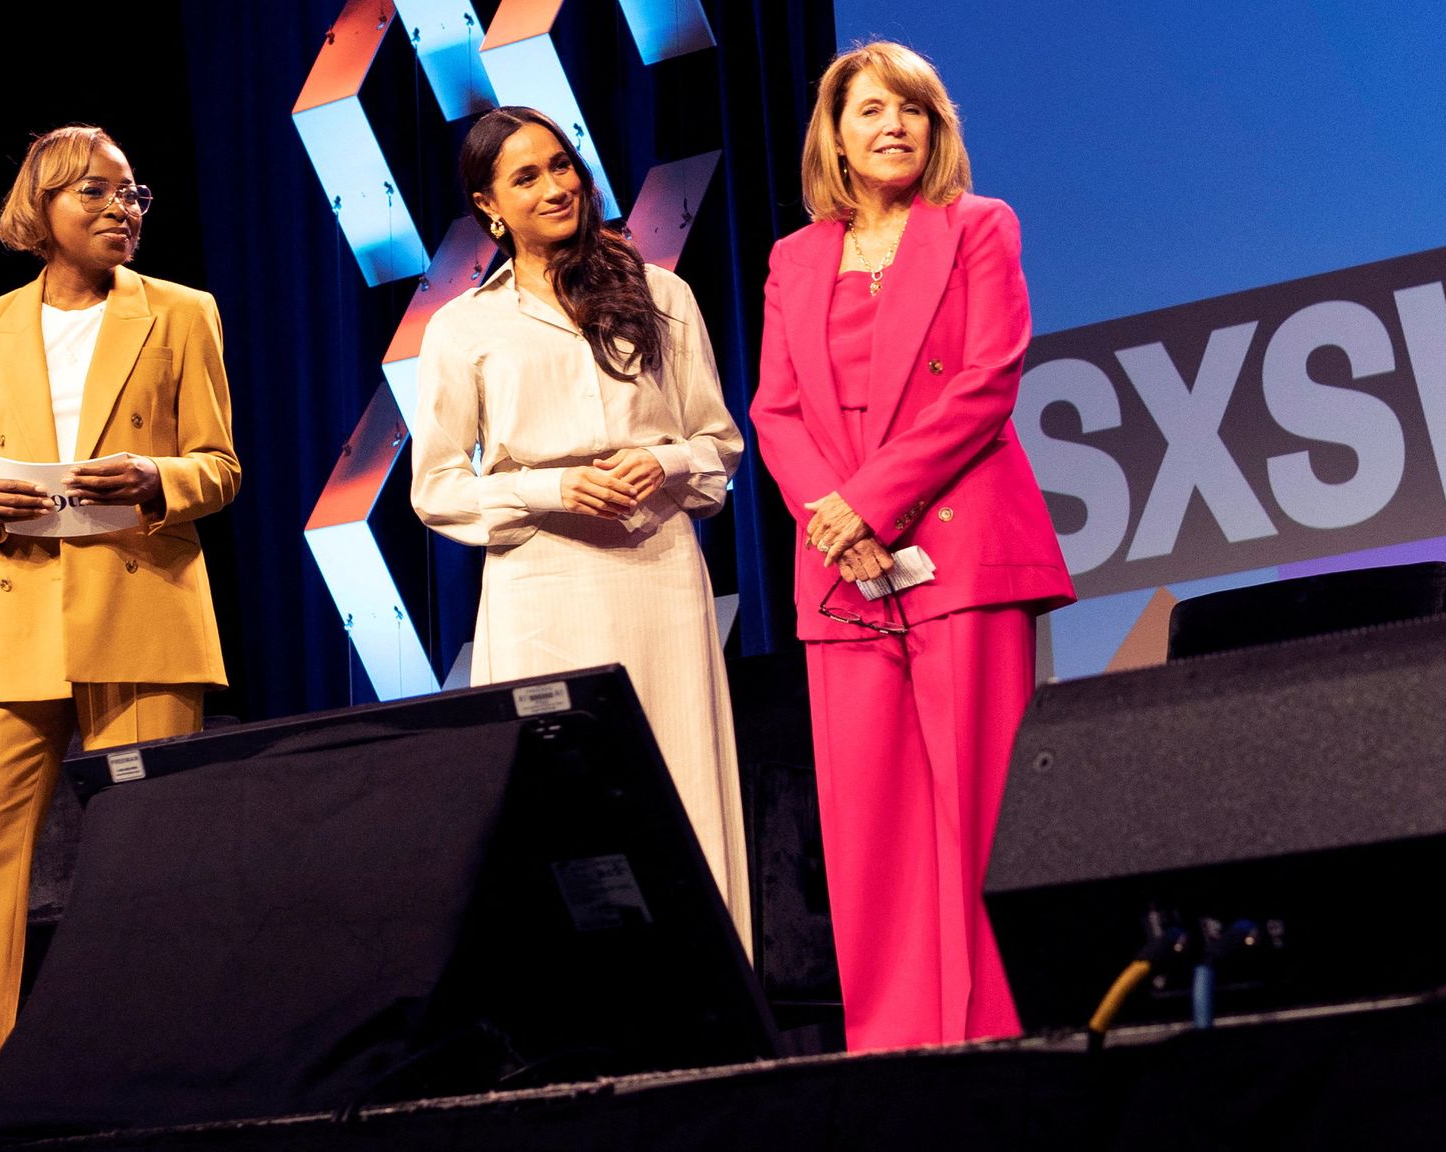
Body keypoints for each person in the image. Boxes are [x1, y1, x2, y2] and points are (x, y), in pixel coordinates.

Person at [0, 125, 238, 1148]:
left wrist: (157, 480)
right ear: (43, 208)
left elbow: (220, 465)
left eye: (133, 192)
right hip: (15, 609)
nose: (123, 209)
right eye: (98, 193)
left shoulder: (182, 315)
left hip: (146, 606)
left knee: (149, 869)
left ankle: (160, 1103)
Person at [749, 42, 1074, 1050]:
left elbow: (986, 381)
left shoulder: (978, 227)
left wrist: (870, 503)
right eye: (868, 111)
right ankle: (891, 1048)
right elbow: (775, 409)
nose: (891, 125)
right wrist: (831, 520)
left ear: (935, 129)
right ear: (833, 138)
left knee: (976, 810)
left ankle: (995, 1036)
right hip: (842, 565)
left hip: (958, 545)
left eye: (911, 110)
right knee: (869, 829)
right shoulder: (793, 258)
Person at [410, 106, 751, 947]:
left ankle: (711, 1005)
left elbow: (718, 441)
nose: (556, 185)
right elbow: (438, 488)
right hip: (543, 589)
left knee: (680, 781)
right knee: (561, 799)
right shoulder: (463, 327)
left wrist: (663, 464)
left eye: (562, 166)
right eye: (526, 176)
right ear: (490, 207)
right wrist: (551, 490)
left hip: (659, 571)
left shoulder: (660, 292)